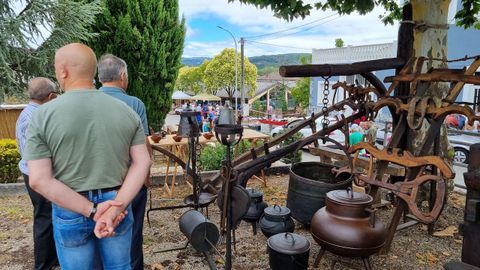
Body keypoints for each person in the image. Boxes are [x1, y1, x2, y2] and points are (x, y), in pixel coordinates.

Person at [25, 43, 151, 270]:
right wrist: (114, 208)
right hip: (116, 204)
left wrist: (92, 211)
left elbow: (39, 180)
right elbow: (143, 163)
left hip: (69, 208)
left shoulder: (42, 115)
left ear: (63, 71)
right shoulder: (128, 111)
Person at [98, 54, 152, 270]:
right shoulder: (134, 104)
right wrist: (146, 177)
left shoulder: (88, 101)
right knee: (132, 233)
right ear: (122, 76)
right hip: (130, 181)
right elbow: (144, 142)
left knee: (100, 232)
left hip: (96, 184)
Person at [15, 77, 59, 270]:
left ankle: (52, 259)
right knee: (44, 219)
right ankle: (43, 265)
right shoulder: (34, 118)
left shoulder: (30, 114)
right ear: (50, 96)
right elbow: (34, 156)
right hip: (37, 175)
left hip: (36, 173)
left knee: (48, 217)